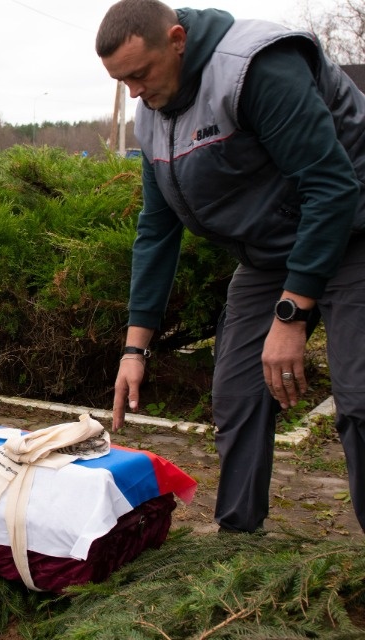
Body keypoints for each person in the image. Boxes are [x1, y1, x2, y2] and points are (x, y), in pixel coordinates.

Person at [96, 0, 365, 534]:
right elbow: (157, 229)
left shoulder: (256, 67)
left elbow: (332, 186)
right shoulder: (152, 110)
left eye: (139, 74)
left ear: (177, 40)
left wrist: (290, 317)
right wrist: (134, 348)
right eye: (121, 80)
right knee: (237, 393)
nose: (133, 92)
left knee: (360, 399)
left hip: (353, 230)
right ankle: (239, 535)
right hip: (269, 254)